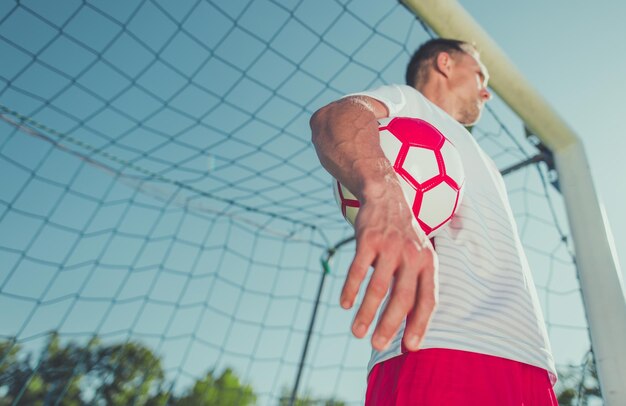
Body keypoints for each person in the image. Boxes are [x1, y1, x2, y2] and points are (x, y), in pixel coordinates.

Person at [310, 39, 558, 405]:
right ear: (445, 63)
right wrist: (383, 194)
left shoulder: (475, 156)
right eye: (480, 75)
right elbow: (335, 117)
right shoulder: (410, 104)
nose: (487, 92)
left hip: (529, 361)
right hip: (443, 348)